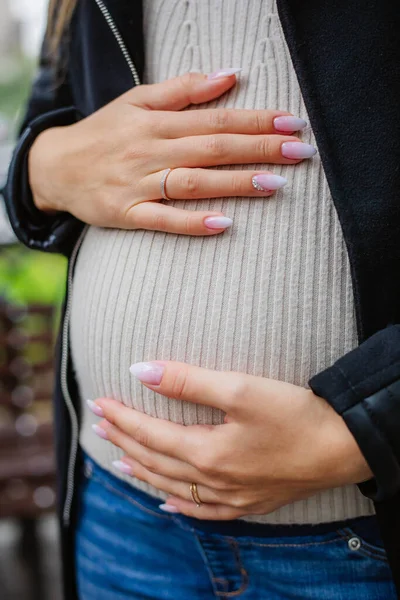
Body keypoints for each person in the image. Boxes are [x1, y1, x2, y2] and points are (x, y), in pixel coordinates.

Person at [4, 0, 400, 598]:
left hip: (360, 539)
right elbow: (52, 118)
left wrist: (368, 429)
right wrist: (43, 168)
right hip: (118, 511)